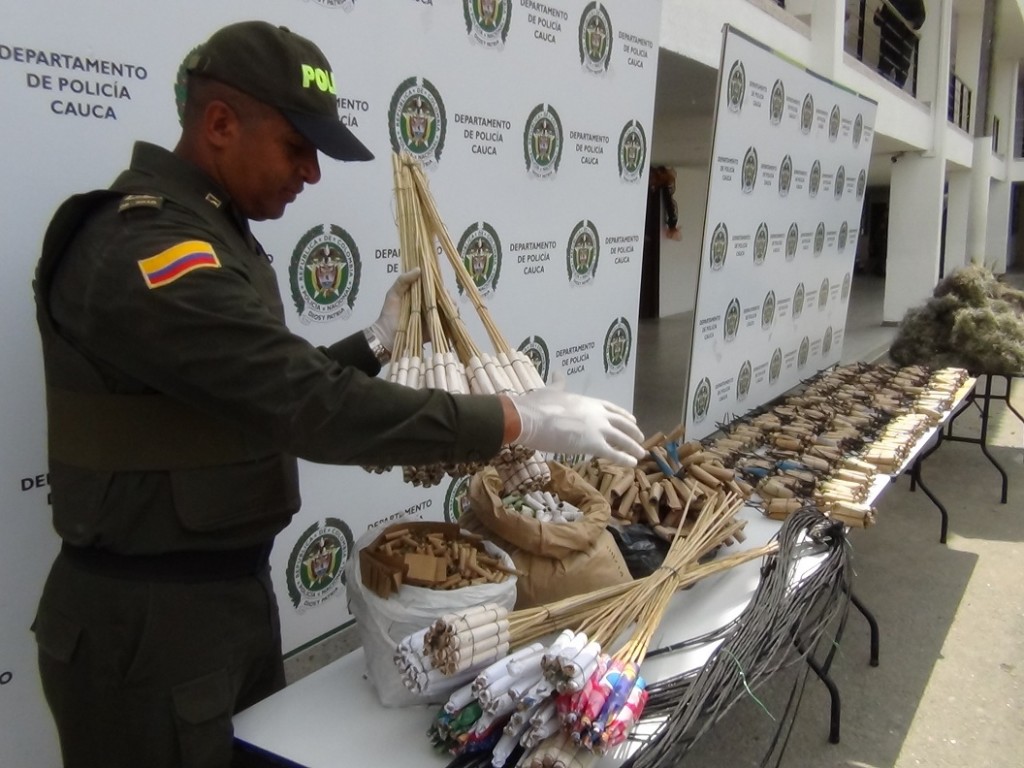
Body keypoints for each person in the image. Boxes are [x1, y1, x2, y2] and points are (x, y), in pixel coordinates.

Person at [31, 20, 646, 768]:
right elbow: (304, 405)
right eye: (298, 147)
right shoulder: (149, 251)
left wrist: (374, 346)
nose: (312, 174)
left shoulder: (212, 236)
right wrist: (516, 418)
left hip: (219, 602)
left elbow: (242, 398)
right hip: (149, 630)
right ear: (220, 123)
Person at [875, 0, 926, 88]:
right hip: (889, 37)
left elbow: (920, 18)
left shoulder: (916, 2)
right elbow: (883, 17)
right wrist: (877, 17)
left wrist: (910, 23)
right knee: (884, 67)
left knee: (901, 72)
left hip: (904, 39)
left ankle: (896, 90)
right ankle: (881, 87)